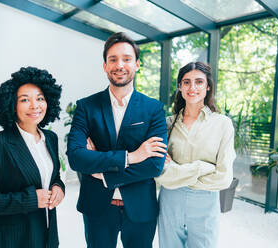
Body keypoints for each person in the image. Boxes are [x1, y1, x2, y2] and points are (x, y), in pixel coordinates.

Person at [66, 32, 167, 248]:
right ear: (105, 66)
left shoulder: (154, 109)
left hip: (141, 209)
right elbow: (75, 157)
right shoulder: (86, 107)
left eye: (126, 59)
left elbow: (154, 165)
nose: (119, 65)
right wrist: (132, 157)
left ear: (137, 64)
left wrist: (102, 172)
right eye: (113, 59)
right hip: (97, 207)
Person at [0, 67, 65, 248]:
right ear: (12, 104)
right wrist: (30, 199)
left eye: (40, 98)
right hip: (12, 241)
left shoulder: (50, 138)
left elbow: (53, 176)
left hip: (47, 238)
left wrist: (59, 187)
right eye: (25, 100)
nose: (35, 105)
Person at [155, 62, 236, 248]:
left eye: (199, 82)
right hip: (170, 200)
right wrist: (202, 168)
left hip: (205, 201)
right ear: (180, 87)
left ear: (208, 86)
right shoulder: (166, 124)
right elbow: (159, 171)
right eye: (186, 82)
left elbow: (223, 178)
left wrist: (176, 172)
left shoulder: (222, 125)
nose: (192, 88)